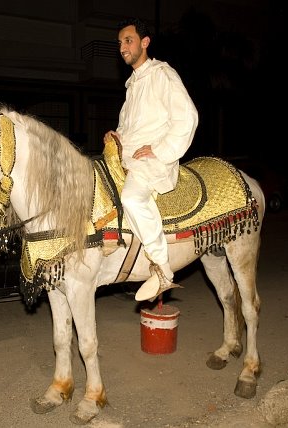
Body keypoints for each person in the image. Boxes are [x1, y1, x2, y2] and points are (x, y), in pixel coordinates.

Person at [105, 18, 198, 302]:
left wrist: (160, 151)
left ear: (145, 43)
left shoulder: (162, 74)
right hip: (130, 159)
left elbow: (188, 118)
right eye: (120, 42)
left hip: (152, 161)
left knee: (132, 199)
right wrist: (116, 137)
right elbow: (129, 127)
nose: (123, 47)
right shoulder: (132, 85)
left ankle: (162, 267)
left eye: (129, 40)